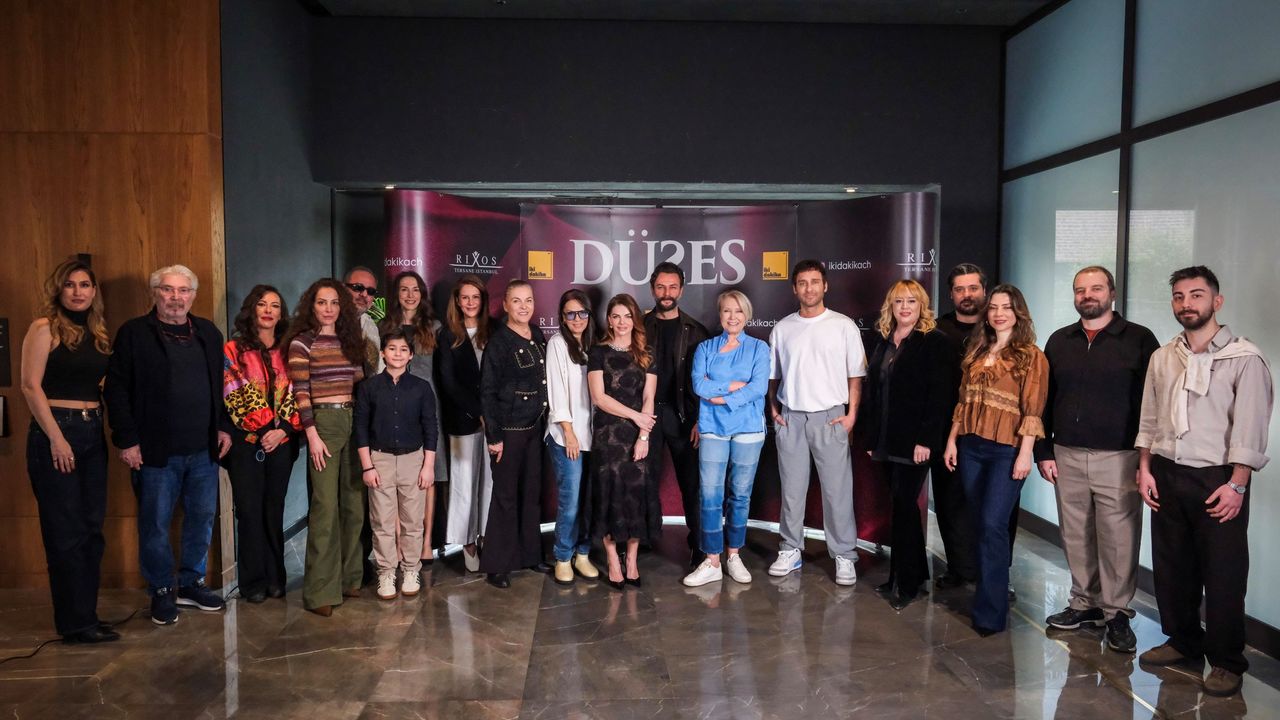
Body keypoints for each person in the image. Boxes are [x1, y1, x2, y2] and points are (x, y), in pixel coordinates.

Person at [1135, 266, 1273, 697]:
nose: (1186, 303)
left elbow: (1250, 427)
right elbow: (1149, 418)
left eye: (1196, 295)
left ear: (1217, 301)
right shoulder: (1163, 357)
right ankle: (1183, 641)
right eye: (1179, 296)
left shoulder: (1244, 357)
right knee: (1172, 566)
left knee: (1224, 573)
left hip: (1218, 478)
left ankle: (1228, 662)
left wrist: (1238, 484)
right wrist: (1144, 468)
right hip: (1166, 470)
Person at [1035, 266, 1158, 652]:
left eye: (1096, 288)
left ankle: (1117, 613)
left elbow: (1152, 403)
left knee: (1119, 537)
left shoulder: (1139, 339)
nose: (1087, 295)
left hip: (1119, 456)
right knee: (1075, 534)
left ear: (1112, 293)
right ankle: (1084, 604)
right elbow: (1043, 400)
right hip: (1066, 454)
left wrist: (1146, 460)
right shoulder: (1059, 340)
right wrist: (1043, 450)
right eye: (1080, 289)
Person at [104, 264, 230, 625]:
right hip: (155, 451)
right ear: (155, 293)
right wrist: (127, 440)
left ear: (193, 295)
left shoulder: (207, 332)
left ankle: (191, 583)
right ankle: (161, 589)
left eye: (183, 290)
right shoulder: (134, 333)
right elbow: (116, 389)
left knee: (201, 518)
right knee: (155, 524)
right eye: (168, 290)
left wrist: (223, 428)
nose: (176, 297)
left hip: (204, 449)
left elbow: (220, 385)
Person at [943, 283, 1048, 635]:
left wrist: (1025, 454)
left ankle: (991, 613)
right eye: (994, 308)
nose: (999, 313)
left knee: (992, 525)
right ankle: (986, 598)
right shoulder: (977, 350)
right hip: (971, 447)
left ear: (1018, 313)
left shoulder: (1031, 356)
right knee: (980, 525)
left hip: (1007, 451)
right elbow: (963, 402)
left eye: (1006, 307)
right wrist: (952, 441)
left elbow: (1033, 410)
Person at [21, 259, 116, 643]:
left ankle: (86, 616)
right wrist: (56, 438)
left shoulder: (98, 332)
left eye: (85, 285)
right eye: (70, 285)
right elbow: (30, 386)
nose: (78, 292)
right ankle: (74, 624)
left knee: (91, 528)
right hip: (57, 432)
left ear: (94, 291)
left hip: (93, 430)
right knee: (65, 531)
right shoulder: (44, 328)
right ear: (58, 290)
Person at [766, 259, 866, 586]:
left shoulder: (843, 326)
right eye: (802, 283)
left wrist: (851, 415)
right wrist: (774, 410)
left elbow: (855, 375)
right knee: (792, 492)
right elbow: (773, 376)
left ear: (825, 286)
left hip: (830, 417)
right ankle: (790, 549)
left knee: (837, 492)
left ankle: (844, 555)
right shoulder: (782, 328)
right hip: (791, 418)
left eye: (814, 282)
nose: (809, 288)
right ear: (794, 289)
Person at [859, 280, 954, 609]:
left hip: (915, 443)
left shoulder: (934, 342)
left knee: (903, 506)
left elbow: (939, 396)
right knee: (902, 508)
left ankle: (906, 583)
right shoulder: (883, 339)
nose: (905, 307)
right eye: (899, 301)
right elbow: (874, 392)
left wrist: (926, 440)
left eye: (911, 301)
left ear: (921, 305)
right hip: (886, 439)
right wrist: (871, 438)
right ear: (891, 305)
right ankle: (908, 575)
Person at [285, 278, 368, 617]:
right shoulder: (302, 343)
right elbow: (300, 392)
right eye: (322, 302)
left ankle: (350, 578)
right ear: (312, 305)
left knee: (354, 504)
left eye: (334, 302)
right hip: (324, 423)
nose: (329, 309)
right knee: (324, 508)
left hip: (352, 418)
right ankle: (320, 591)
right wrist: (313, 434)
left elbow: (358, 380)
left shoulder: (350, 339)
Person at [682, 290, 770, 588]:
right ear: (719, 315)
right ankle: (711, 561)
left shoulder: (758, 348)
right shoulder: (705, 348)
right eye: (727, 311)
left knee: (740, 494)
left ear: (747, 315)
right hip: (712, 427)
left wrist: (721, 394)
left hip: (749, 428)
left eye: (738, 311)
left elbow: (757, 388)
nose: (733, 317)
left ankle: (733, 555)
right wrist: (733, 386)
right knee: (710, 495)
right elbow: (699, 386)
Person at [222, 285, 303, 604]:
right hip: (246, 442)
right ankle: (252, 581)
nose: (268, 310)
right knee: (249, 510)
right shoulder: (233, 350)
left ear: (282, 313)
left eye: (275, 305)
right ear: (251, 309)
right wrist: (267, 427)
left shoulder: (291, 350)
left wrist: (283, 430)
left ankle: (275, 578)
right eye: (262, 304)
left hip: (283, 441)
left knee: (274, 508)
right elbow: (235, 390)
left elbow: (300, 391)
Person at [355, 329, 439, 600]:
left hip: (413, 459)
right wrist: (367, 466)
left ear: (411, 355)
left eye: (404, 350)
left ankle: (411, 569)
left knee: (413, 520)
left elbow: (431, 428)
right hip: (379, 460)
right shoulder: (369, 388)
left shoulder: (421, 388)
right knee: (381, 521)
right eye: (392, 348)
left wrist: (428, 466)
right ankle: (386, 572)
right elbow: (361, 429)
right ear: (382, 352)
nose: (398, 354)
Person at [479, 280, 550, 588]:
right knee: (505, 496)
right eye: (517, 301)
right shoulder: (498, 343)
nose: (524, 306)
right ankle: (497, 564)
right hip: (508, 432)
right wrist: (494, 438)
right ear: (505, 305)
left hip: (535, 427)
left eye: (528, 300)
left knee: (531, 493)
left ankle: (530, 555)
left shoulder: (537, 335)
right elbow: (487, 393)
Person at [589, 294, 660, 590]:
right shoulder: (598, 351)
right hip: (607, 436)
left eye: (627, 316)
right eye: (616, 316)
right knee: (609, 496)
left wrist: (643, 435)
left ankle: (631, 560)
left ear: (635, 319)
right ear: (609, 320)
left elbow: (649, 396)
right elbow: (599, 398)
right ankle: (612, 559)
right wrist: (637, 417)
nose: (622, 322)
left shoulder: (647, 353)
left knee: (634, 497)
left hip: (637, 436)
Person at [643, 262, 710, 566]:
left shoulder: (696, 331)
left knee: (692, 484)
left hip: (684, 417)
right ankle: (644, 536)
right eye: (661, 287)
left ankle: (699, 544)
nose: (666, 293)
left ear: (681, 290)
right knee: (644, 480)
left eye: (672, 287)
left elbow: (708, 381)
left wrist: (700, 419)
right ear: (652, 289)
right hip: (646, 416)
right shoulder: (639, 327)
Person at [379, 271, 447, 567]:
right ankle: (398, 544)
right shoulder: (384, 327)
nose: (410, 295)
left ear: (422, 294)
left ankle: (426, 542)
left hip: (428, 409)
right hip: (392, 409)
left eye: (415, 289)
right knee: (395, 477)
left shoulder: (435, 328)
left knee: (427, 477)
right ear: (396, 294)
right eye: (404, 289)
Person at [931, 263, 985, 590]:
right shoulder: (937, 331)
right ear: (951, 294)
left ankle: (995, 574)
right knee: (950, 503)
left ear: (983, 291)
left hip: (990, 433)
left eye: (973, 288)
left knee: (992, 508)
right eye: (960, 289)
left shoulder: (998, 327)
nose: (967, 295)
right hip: (946, 432)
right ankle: (958, 568)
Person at [545, 289, 601, 585]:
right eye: (570, 314)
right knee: (571, 500)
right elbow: (556, 392)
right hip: (566, 436)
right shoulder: (557, 344)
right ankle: (563, 556)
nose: (577, 319)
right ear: (562, 317)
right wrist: (569, 433)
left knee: (589, 499)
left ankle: (583, 553)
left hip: (595, 436)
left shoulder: (595, 344)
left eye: (582, 313)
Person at [439, 275, 492, 573]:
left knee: (490, 483)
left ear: (483, 300)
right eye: (465, 297)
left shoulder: (495, 330)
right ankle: (467, 543)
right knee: (463, 483)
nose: (471, 302)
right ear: (457, 302)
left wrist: (490, 413)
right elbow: (448, 382)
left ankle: (487, 537)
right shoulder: (448, 335)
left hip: (494, 421)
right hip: (462, 421)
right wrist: (477, 412)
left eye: (476, 297)